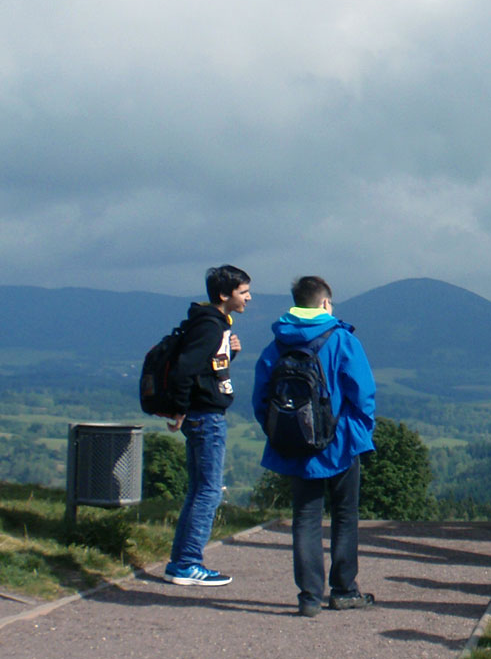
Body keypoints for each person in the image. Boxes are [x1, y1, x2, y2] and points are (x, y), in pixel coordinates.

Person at [251, 276, 378, 617]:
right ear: (324, 303)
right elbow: (363, 393)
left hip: (296, 444)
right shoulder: (342, 339)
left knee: (305, 518)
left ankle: (308, 597)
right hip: (340, 442)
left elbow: (261, 398)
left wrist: (282, 433)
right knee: (345, 515)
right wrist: (360, 432)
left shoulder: (277, 343)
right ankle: (344, 590)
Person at [162, 264, 251, 587]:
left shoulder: (212, 325)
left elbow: (205, 369)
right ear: (224, 295)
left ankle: (180, 562)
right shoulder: (211, 327)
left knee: (200, 490)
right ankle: (188, 563)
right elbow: (185, 370)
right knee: (208, 492)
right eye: (243, 292)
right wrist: (180, 409)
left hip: (203, 414)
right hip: (206, 416)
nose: (248, 298)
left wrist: (230, 354)